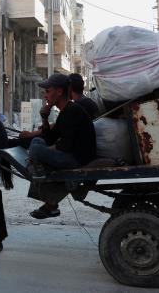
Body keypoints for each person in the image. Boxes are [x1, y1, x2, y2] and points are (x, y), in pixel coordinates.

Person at [19, 73, 97, 219]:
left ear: (59, 92)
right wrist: (44, 118)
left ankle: (42, 178)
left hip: (77, 159)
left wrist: (43, 153)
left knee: (36, 149)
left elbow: (65, 146)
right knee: (36, 143)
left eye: (48, 91)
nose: (45, 96)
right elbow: (49, 139)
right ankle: (50, 200)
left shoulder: (73, 111)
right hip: (70, 154)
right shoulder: (65, 112)